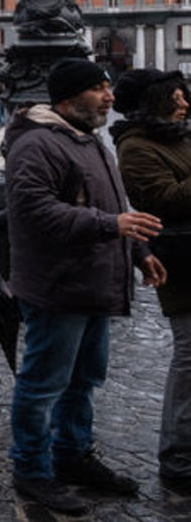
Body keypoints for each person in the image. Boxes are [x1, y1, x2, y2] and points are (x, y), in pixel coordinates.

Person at [4, 57, 166, 514]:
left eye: (109, 88)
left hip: (94, 285)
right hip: (57, 289)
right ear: (70, 97)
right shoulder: (37, 144)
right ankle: (32, 471)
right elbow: (34, 210)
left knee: (84, 381)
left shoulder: (91, 142)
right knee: (42, 385)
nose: (110, 97)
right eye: (99, 89)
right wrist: (109, 224)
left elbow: (114, 205)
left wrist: (140, 254)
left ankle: (72, 456)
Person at [109, 69, 191, 488]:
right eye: (175, 97)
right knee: (188, 361)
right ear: (153, 101)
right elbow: (164, 201)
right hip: (183, 265)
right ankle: (177, 460)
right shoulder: (136, 148)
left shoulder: (180, 136)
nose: (184, 103)